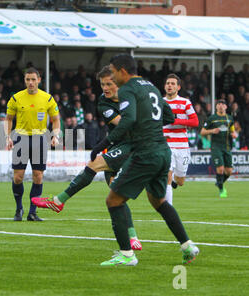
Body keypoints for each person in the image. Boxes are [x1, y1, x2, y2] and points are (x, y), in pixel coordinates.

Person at [90, 54, 199, 266]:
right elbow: (168, 116)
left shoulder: (129, 88)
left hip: (145, 153)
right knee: (159, 201)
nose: (111, 76)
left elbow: (128, 120)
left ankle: (127, 254)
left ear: (122, 71)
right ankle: (187, 246)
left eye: (112, 72)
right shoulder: (150, 86)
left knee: (113, 200)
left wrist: (102, 143)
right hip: (163, 151)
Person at [32, 66, 142, 250]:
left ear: (118, 83)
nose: (105, 88)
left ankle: (59, 201)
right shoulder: (103, 102)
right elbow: (124, 124)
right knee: (116, 195)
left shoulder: (131, 95)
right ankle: (133, 237)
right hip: (117, 144)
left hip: (132, 146)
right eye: (102, 84)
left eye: (109, 84)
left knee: (94, 164)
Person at [5, 67, 60, 222]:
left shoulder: (48, 99)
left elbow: (56, 120)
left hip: (40, 139)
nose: (30, 82)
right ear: (24, 80)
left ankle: (32, 212)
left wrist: (56, 135)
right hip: (21, 138)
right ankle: (18, 208)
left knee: (38, 176)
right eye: (28, 79)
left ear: (39, 80)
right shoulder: (16, 98)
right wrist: (7, 137)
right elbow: (8, 119)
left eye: (33, 79)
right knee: (18, 177)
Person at [162, 74, 199, 205]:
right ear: (165, 86)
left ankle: (173, 182)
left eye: (172, 83)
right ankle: (169, 209)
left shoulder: (185, 102)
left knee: (180, 181)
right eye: (168, 83)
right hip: (166, 145)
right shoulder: (160, 103)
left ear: (178, 87)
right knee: (167, 175)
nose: (170, 85)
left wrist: (175, 121)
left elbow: (195, 122)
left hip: (182, 146)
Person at [200, 100, 238, 198]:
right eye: (219, 104)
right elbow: (202, 132)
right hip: (216, 147)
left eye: (223, 104)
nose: (221, 106)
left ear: (226, 107)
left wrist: (234, 134)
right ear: (216, 107)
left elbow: (232, 130)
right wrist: (212, 130)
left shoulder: (229, 118)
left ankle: (219, 182)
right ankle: (221, 190)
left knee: (229, 171)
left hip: (227, 147)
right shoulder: (212, 118)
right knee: (220, 168)